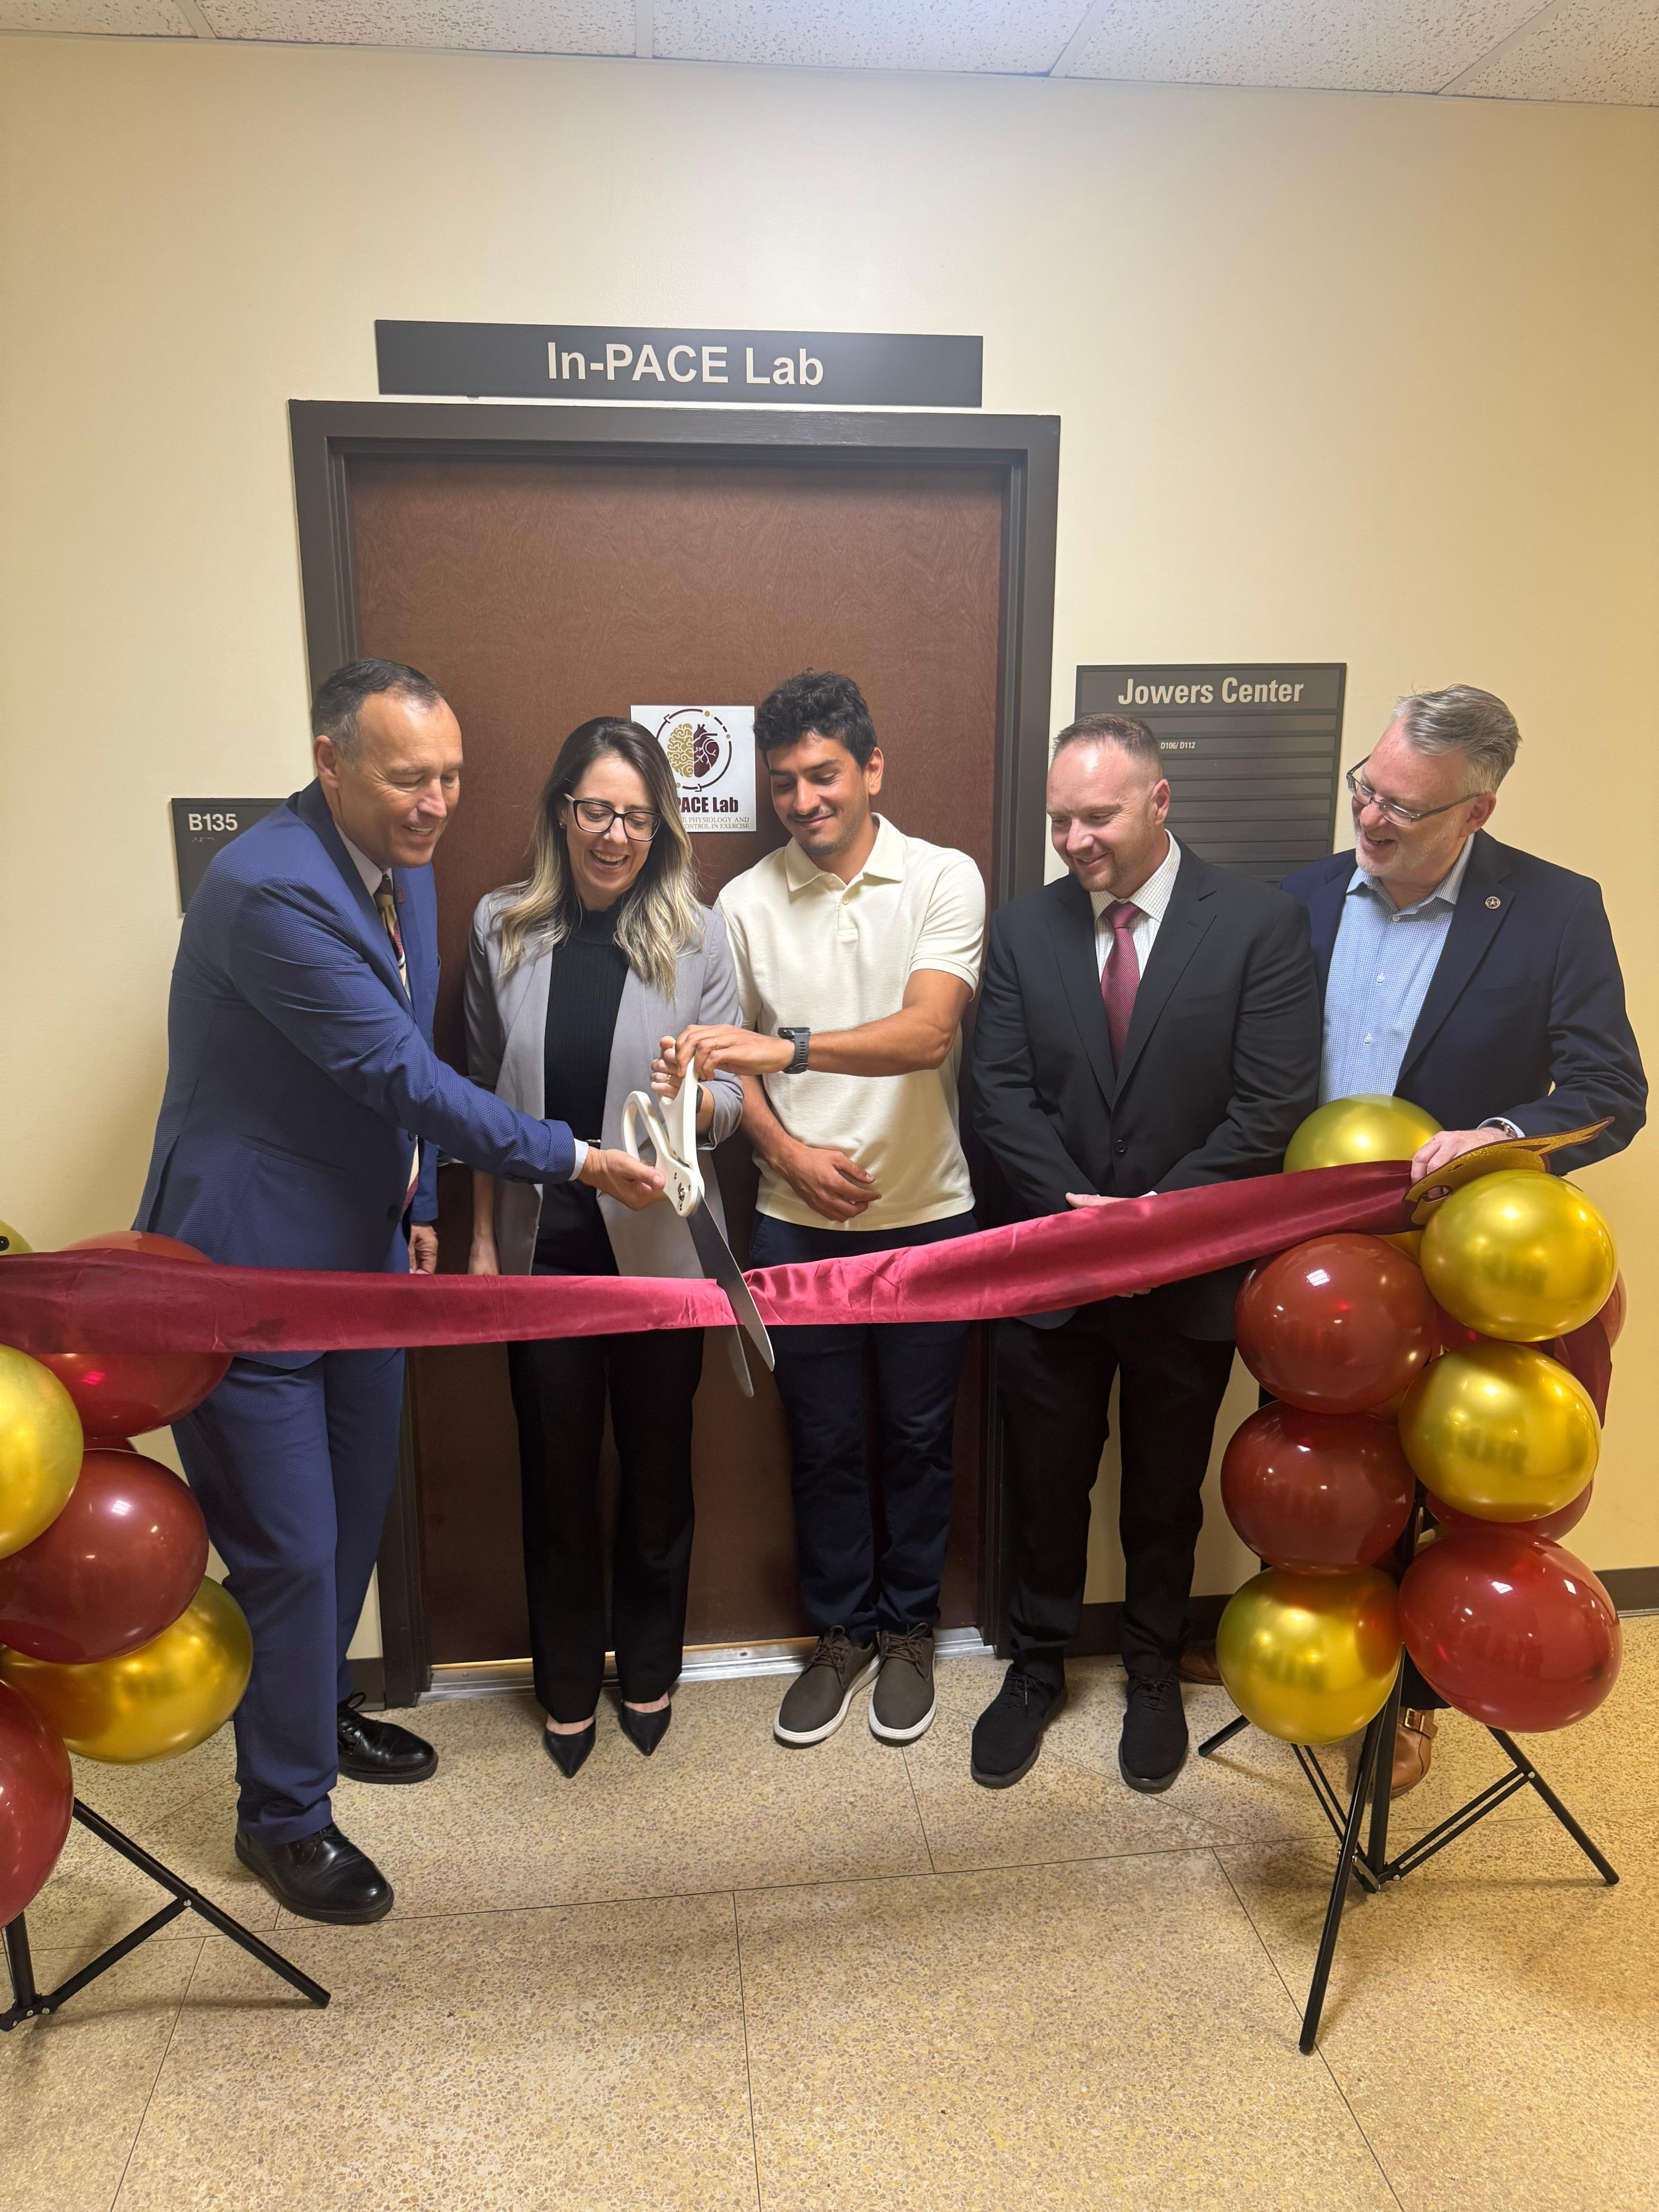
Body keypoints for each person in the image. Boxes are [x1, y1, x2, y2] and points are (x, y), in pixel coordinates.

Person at [135, 660, 663, 1924]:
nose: (435, 805)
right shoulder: (267, 888)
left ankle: (318, 1713)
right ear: (331, 765)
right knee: (292, 1550)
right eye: (407, 778)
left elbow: (406, 1054)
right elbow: (398, 1073)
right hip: (249, 1271)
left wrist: (422, 1209)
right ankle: (285, 1816)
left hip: (364, 1258)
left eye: (451, 778)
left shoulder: (400, 869)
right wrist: (577, 1156)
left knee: (355, 1517)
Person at [1276, 683, 1646, 1794]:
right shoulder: (1295, 900)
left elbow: (1609, 1090)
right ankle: (1314, 1641)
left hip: (1461, 1264)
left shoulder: (1555, 910)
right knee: (1318, 1468)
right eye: (1368, 788)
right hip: (1319, 1257)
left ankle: (1416, 1695)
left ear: (1476, 813)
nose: (1374, 818)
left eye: (1406, 807)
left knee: (1449, 1477)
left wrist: (1503, 1135)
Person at [967, 714, 1321, 1795]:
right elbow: (999, 1092)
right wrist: (1082, 1214)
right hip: (1056, 1265)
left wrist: (1157, 1218)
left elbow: (1271, 1105)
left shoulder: (1259, 926)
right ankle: (1034, 1667)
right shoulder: (1026, 931)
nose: (1075, 839)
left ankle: (1153, 1667)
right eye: (1061, 819)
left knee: (1167, 1490)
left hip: (1188, 1277)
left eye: (1098, 815)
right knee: (1045, 1479)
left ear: (1160, 802)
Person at [673, 670, 985, 1750]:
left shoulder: (944, 877)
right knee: (823, 1441)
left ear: (871, 771)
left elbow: (927, 1033)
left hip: (933, 1215)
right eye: (785, 784)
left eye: (824, 776)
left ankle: (911, 1632)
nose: (805, 801)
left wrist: (791, 1044)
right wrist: (790, 1152)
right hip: (798, 1223)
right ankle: (843, 1634)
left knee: (917, 1438)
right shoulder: (745, 905)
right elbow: (728, 1069)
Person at [465, 718, 744, 1778]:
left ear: (658, 825)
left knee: (660, 1475)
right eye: (596, 810)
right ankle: (568, 1685)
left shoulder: (698, 934)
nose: (615, 834)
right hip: (545, 1260)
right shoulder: (502, 927)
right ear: (561, 813)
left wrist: (694, 1097)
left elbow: (729, 1100)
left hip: (663, 1258)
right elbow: (479, 1103)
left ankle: (652, 1670)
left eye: (635, 815)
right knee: (555, 1479)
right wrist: (487, 1242)